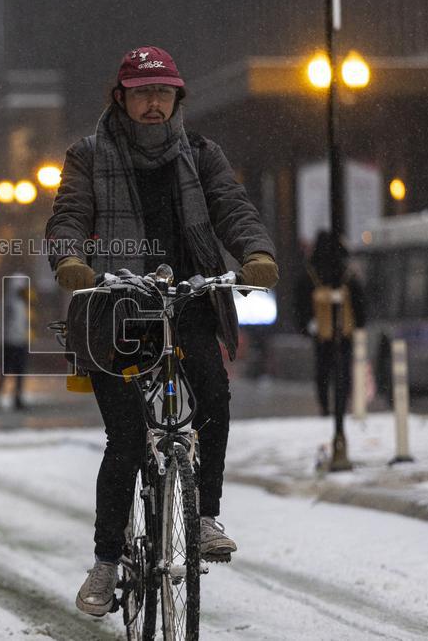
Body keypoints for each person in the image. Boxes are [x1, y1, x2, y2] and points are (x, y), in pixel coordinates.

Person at [44, 45, 278, 616]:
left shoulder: (201, 154)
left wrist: (256, 251)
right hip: (115, 307)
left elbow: (232, 207)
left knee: (215, 397)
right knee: (126, 438)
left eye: (164, 93)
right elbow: (69, 215)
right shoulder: (88, 155)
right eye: (143, 93)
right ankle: (105, 562)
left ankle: (203, 518)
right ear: (120, 98)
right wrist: (71, 258)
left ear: (178, 100)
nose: (154, 104)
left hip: (187, 298)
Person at [295, 230, 367, 418]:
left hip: (321, 331)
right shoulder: (346, 273)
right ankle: (341, 406)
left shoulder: (310, 274)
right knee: (342, 371)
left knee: (323, 371)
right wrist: (359, 325)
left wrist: (306, 325)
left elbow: (300, 302)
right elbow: (360, 302)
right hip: (344, 330)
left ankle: (325, 407)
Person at [0, 280, 30, 411]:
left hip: (18, 342)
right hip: (9, 343)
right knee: (5, 373)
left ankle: (16, 399)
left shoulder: (21, 303)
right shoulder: (9, 303)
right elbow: (2, 322)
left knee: (18, 373)